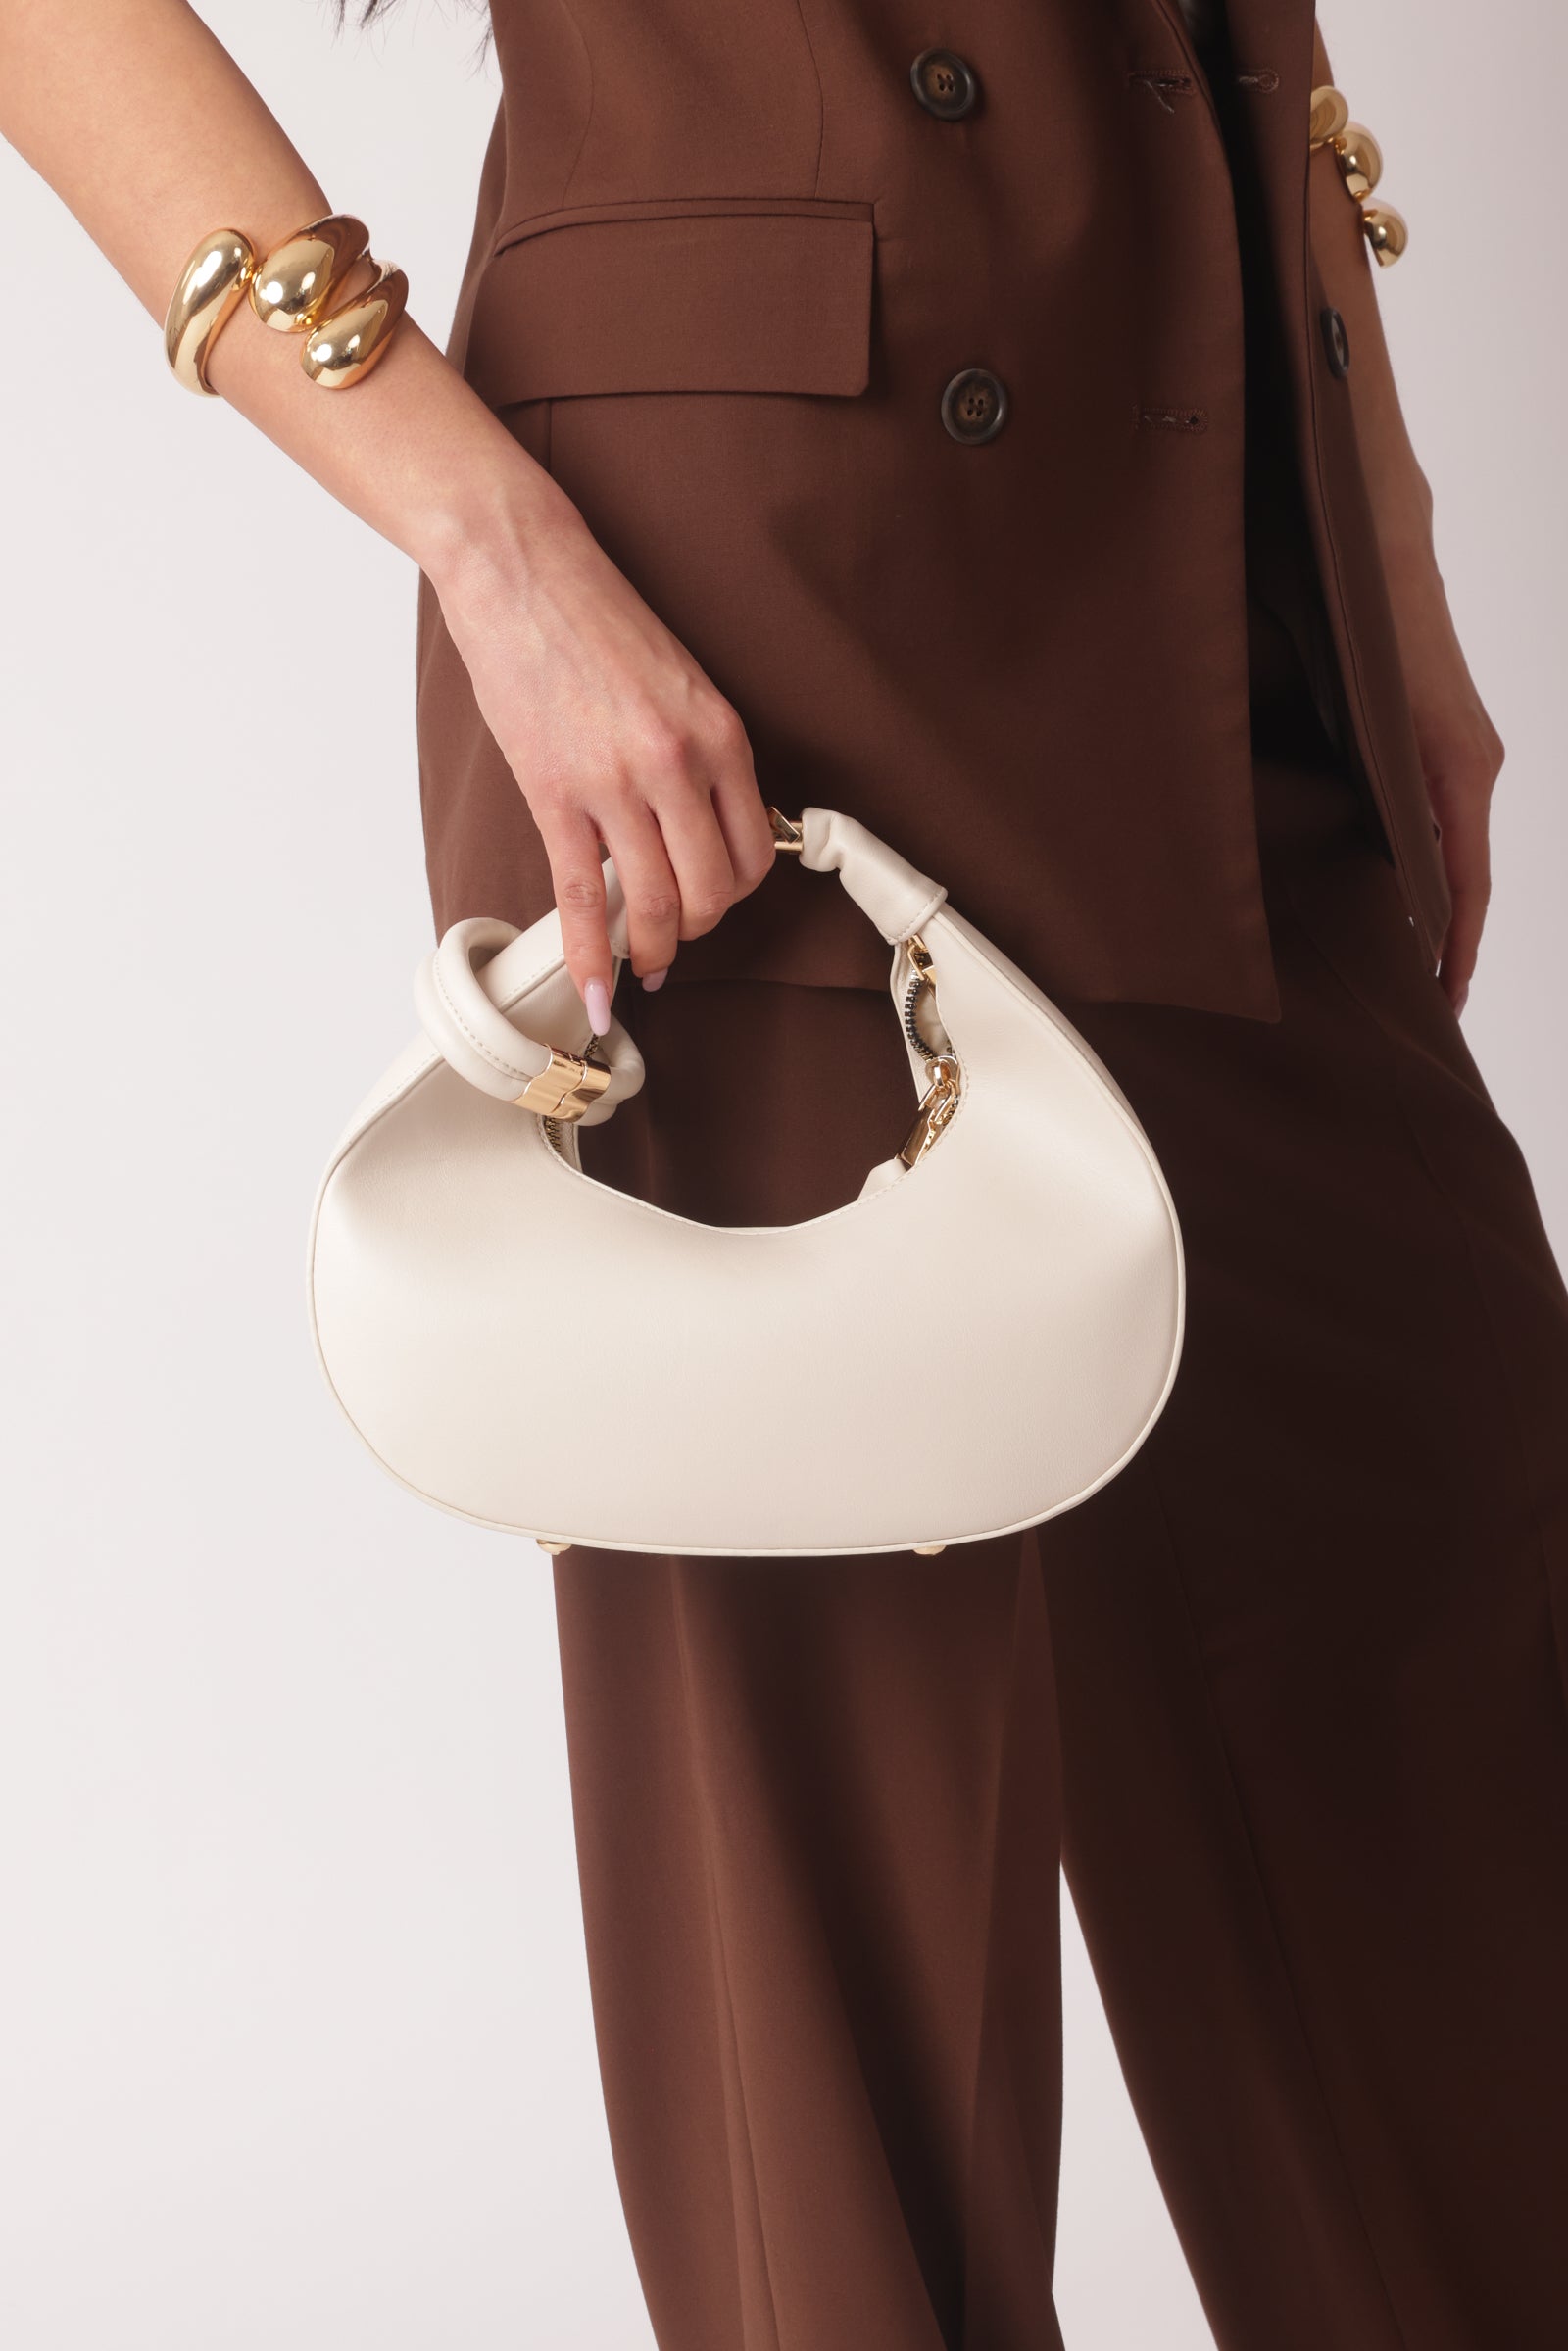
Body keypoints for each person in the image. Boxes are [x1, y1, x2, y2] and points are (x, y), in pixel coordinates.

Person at [5, 2, 1565, 2345]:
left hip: (1223, 553)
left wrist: (1387, 533)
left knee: (1447, 1805)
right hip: (734, 654)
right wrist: (485, 535)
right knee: (833, 2016)